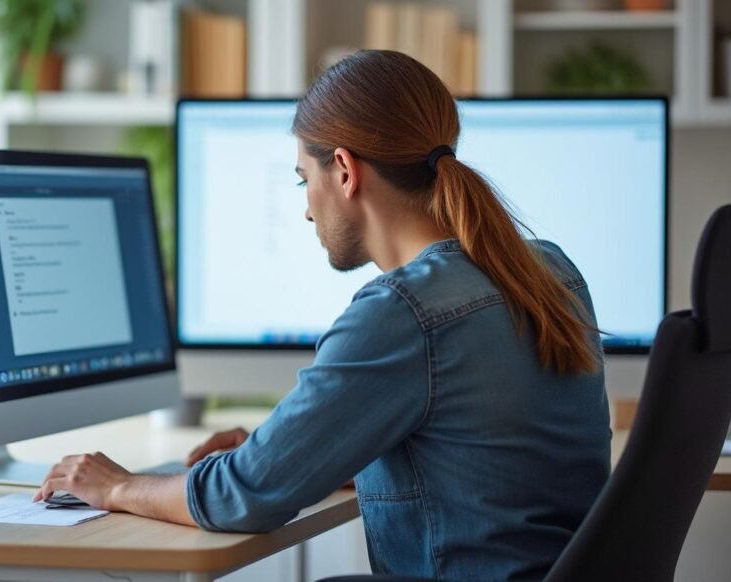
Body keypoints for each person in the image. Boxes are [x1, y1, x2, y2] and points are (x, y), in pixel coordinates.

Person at [34, 51, 611, 580]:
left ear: (344, 170)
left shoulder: (401, 312)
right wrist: (303, 449)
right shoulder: (549, 269)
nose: (307, 209)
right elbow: (489, 463)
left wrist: (118, 486)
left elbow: (242, 497)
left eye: (302, 179)